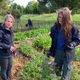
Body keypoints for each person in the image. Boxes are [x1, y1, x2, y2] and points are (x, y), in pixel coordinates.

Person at [47, 7, 80, 80]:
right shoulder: (55, 27)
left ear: (67, 18)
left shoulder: (73, 28)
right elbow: (54, 40)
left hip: (68, 54)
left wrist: (72, 44)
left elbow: (77, 39)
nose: (60, 19)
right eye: (59, 17)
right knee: (56, 72)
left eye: (62, 18)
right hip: (58, 52)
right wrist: (51, 51)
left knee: (65, 77)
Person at [0, 14, 16, 80]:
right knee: (4, 70)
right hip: (3, 55)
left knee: (9, 68)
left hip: (10, 54)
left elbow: (11, 42)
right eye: (8, 21)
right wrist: (9, 47)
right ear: (5, 21)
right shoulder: (1, 31)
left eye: (11, 22)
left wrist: (14, 50)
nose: (10, 23)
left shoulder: (11, 30)